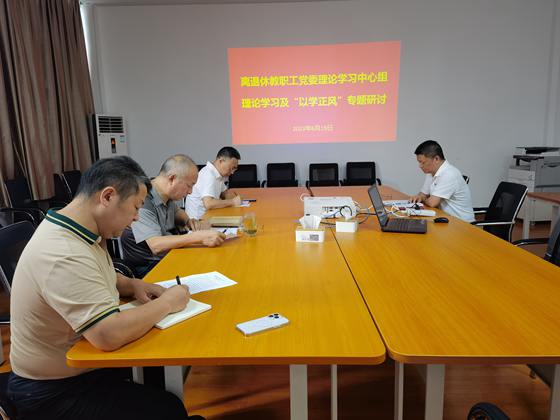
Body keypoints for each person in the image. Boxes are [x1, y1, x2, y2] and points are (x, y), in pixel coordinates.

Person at [7, 156, 204, 420]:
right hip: (51, 390)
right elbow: (107, 335)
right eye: (135, 207)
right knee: (168, 408)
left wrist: (133, 284)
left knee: (158, 388)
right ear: (107, 197)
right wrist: (168, 302)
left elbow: (103, 276)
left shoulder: (80, 229)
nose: (136, 218)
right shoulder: (63, 252)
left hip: (79, 368)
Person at [121, 154, 225, 277]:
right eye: (189, 185)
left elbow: (177, 212)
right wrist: (197, 237)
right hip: (149, 268)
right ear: (172, 179)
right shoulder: (144, 199)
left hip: (169, 257)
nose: (190, 192)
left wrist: (188, 221)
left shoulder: (166, 194)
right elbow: (156, 245)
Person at [410, 140, 475, 222]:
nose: (420, 166)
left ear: (436, 159)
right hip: (445, 218)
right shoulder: (431, 172)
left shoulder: (449, 174)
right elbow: (422, 194)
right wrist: (419, 197)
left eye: (423, 162)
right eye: (419, 162)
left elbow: (432, 203)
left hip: (463, 224)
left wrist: (422, 198)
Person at [184, 147, 242, 219]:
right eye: (231, 168)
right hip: (198, 221)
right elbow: (208, 204)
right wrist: (232, 202)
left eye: (234, 169)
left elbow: (225, 193)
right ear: (221, 161)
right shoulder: (208, 175)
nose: (232, 172)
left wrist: (235, 198)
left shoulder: (218, 174)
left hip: (209, 216)